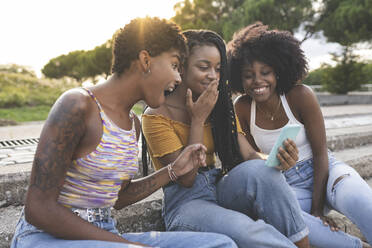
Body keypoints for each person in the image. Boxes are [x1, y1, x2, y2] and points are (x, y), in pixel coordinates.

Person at [10, 17, 239, 248]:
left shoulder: (133, 125)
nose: (178, 78)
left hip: (103, 233)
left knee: (220, 244)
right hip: (46, 238)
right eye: (174, 65)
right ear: (146, 60)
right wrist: (129, 245)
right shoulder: (77, 105)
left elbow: (119, 198)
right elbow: (38, 209)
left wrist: (172, 170)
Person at [142, 29, 310, 248]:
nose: (213, 75)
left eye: (218, 69)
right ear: (181, 66)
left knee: (265, 172)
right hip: (186, 205)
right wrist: (197, 119)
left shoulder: (219, 106)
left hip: (219, 186)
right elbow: (187, 179)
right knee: (247, 230)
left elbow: (249, 154)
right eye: (203, 67)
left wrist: (276, 158)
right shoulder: (155, 115)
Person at [229, 22, 372, 248]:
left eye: (265, 72)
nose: (257, 80)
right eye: (248, 75)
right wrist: (273, 160)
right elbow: (250, 155)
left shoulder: (300, 96)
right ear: (239, 77)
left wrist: (317, 210)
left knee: (361, 200)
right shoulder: (242, 107)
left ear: (278, 71)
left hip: (327, 172)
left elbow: (321, 154)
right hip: (287, 185)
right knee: (277, 221)